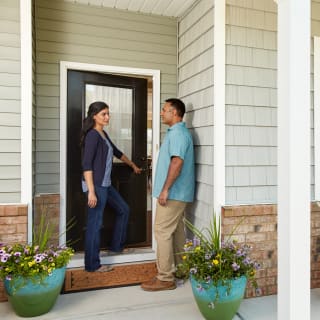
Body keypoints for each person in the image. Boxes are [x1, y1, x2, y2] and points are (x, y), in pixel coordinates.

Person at [80, 101, 141, 272]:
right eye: (103, 114)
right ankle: (92, 265)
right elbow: (87, 165)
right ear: (94, 116)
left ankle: (116, 246)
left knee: (124, 209)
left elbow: (117, 152)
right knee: (95, 224)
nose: (107, 117)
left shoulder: (102, 134)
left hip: (105, 185)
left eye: (108, 113)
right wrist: (91, 192)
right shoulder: (92, 135)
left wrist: (133, 165)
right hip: (96, 186)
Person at [141, 98, 195, 291]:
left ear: (175, 113)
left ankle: (165, 278)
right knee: (176, 231)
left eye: (164, 110)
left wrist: (164, 189)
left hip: (173, 193)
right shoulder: (175, 133)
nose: (161, 113)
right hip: (178, 193)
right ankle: (181, 270)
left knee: (162, 231)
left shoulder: (178, 134)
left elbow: (177, 163)